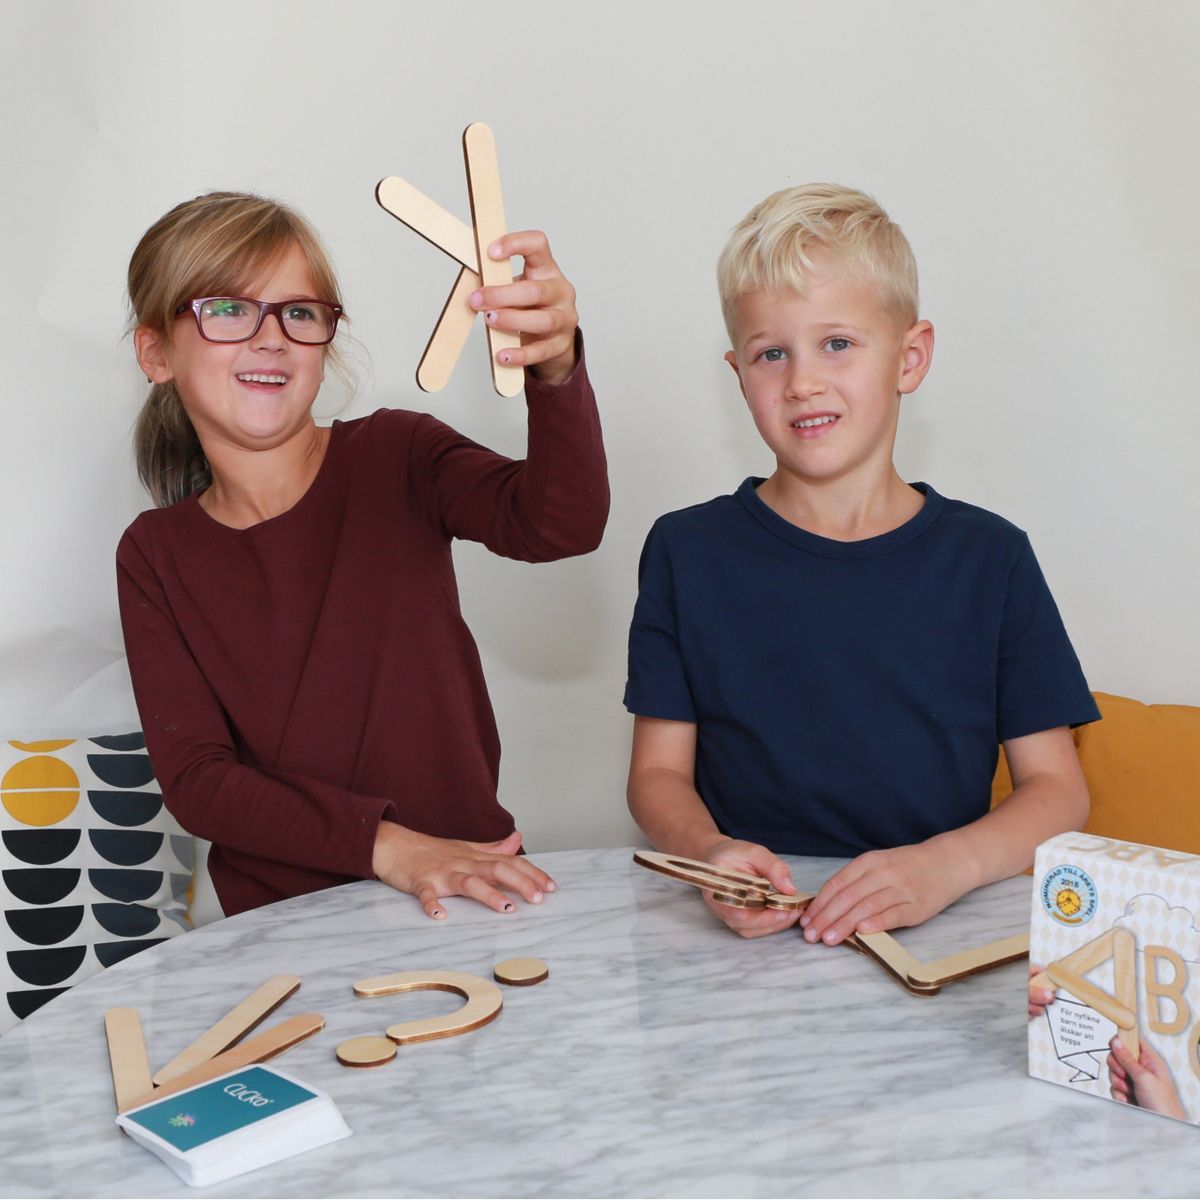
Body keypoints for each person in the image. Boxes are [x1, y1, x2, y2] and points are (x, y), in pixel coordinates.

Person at [624, 183, 1097, 944]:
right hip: (751, 941)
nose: (802, 380)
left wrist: (942, 869)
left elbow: (1058, 791)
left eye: (836, 343)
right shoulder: (686, 551)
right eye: (770, 353)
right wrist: (712, 857)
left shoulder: (992, 557)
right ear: (738, 374)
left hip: (941, 926)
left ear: (910, 358)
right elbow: (657, 777)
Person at [118, 191, 608, 919]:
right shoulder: (155, 554)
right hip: (287, 930)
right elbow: (200, 783)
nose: (271, 336)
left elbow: (559, 525)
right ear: (156, 351)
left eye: (300, 311)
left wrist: (556, 367)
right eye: (227, 309)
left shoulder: (398, 453)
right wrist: (390, 847)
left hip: (473, 891)